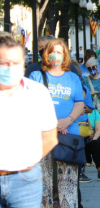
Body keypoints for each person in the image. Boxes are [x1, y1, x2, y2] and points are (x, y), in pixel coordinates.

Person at [0, 32, 58, 208]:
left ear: (24, 64)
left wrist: (28, 160)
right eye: (4, 64)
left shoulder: (37, 92)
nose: (10, 68)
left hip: (25, 179)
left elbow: (50, 137)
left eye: (16, 63)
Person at [29, 39, 85, 207]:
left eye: (59, 52)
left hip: (68, 136)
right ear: (46, 54)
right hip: (43, 136)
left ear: (65, 55)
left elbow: (79, 103)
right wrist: (51, 123)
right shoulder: (36, 76)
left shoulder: (73, 78)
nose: (55, 55)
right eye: (52, 52)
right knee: (43, 184)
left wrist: (67, 121)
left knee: (68, 185)